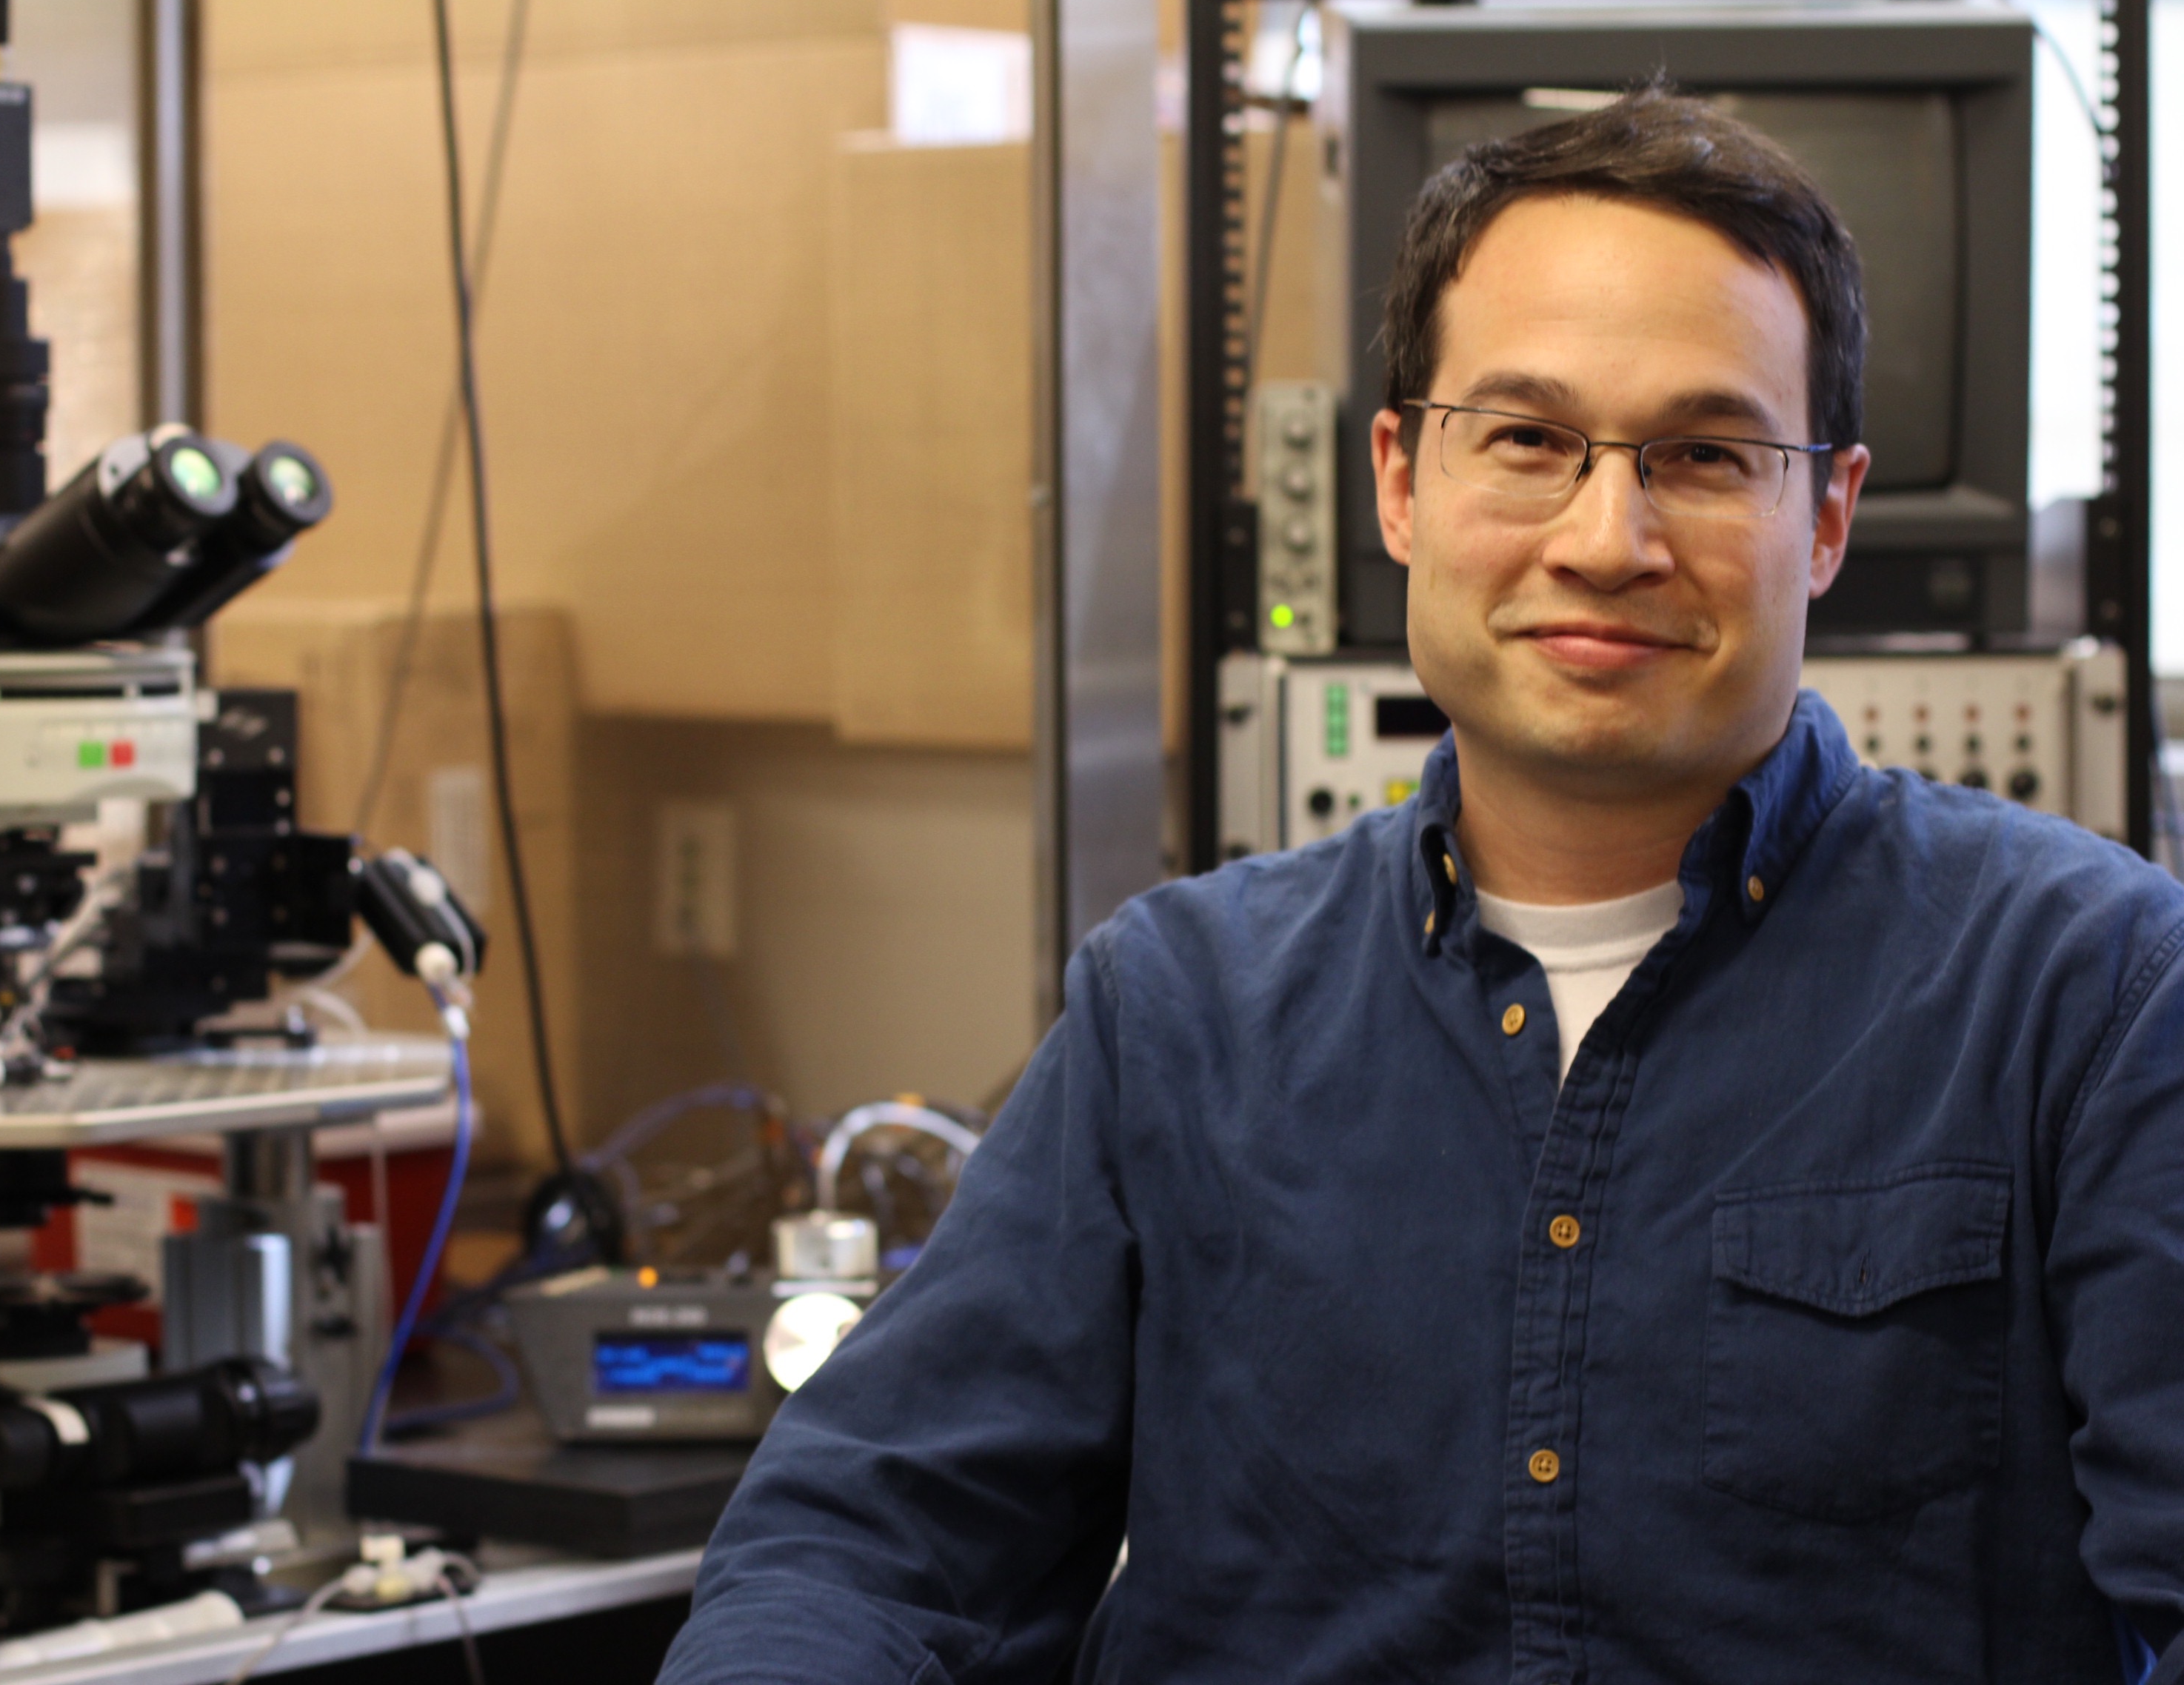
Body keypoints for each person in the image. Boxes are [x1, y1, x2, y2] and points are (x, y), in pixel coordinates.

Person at [657, 88, 2184, 1684]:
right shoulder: (1178, 1011)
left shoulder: (2089, 995)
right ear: (1397, 481)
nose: (1608, 539)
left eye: (1707, 455)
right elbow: (859, 1544)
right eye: (1528, 440)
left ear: (1828, 518)